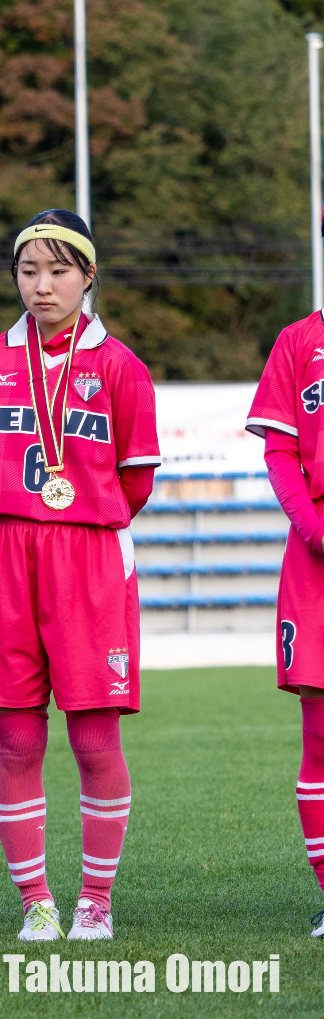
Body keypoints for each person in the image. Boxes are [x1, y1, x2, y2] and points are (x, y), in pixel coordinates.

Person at [0, 210, 160, 941]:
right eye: (28, 271)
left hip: (89, 556)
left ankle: (95, 901)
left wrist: (77, 521)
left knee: (96, 738)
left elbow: (134, 484)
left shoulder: (121, 367)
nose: (42, 286)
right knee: (15, 740)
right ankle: (36, 901)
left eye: (58, 271)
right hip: (5, 554)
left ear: (88, 274)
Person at [246, 287, 324, 938]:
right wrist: (313, 528)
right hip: (316, 555)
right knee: (322, 737)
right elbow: (280, 450)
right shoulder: (299, 342)